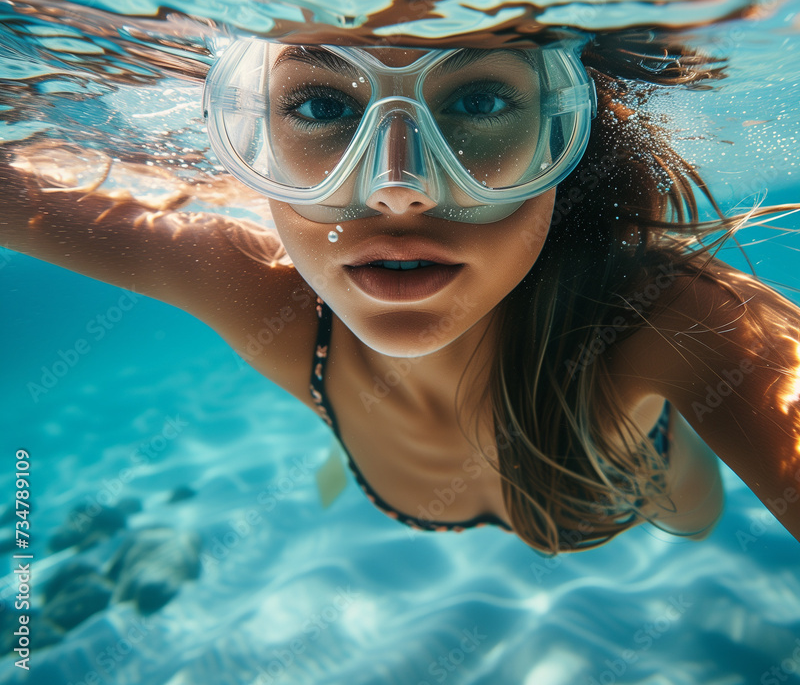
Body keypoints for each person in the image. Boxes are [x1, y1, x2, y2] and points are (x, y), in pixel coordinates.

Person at [2, 31, 799, 554]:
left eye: (479, 102)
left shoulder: (670, 317)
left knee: (694, 520)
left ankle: (675, 429)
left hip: (655, 482)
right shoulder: (260, 289)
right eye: (320, 106)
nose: (397, 190)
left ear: (566, 132)